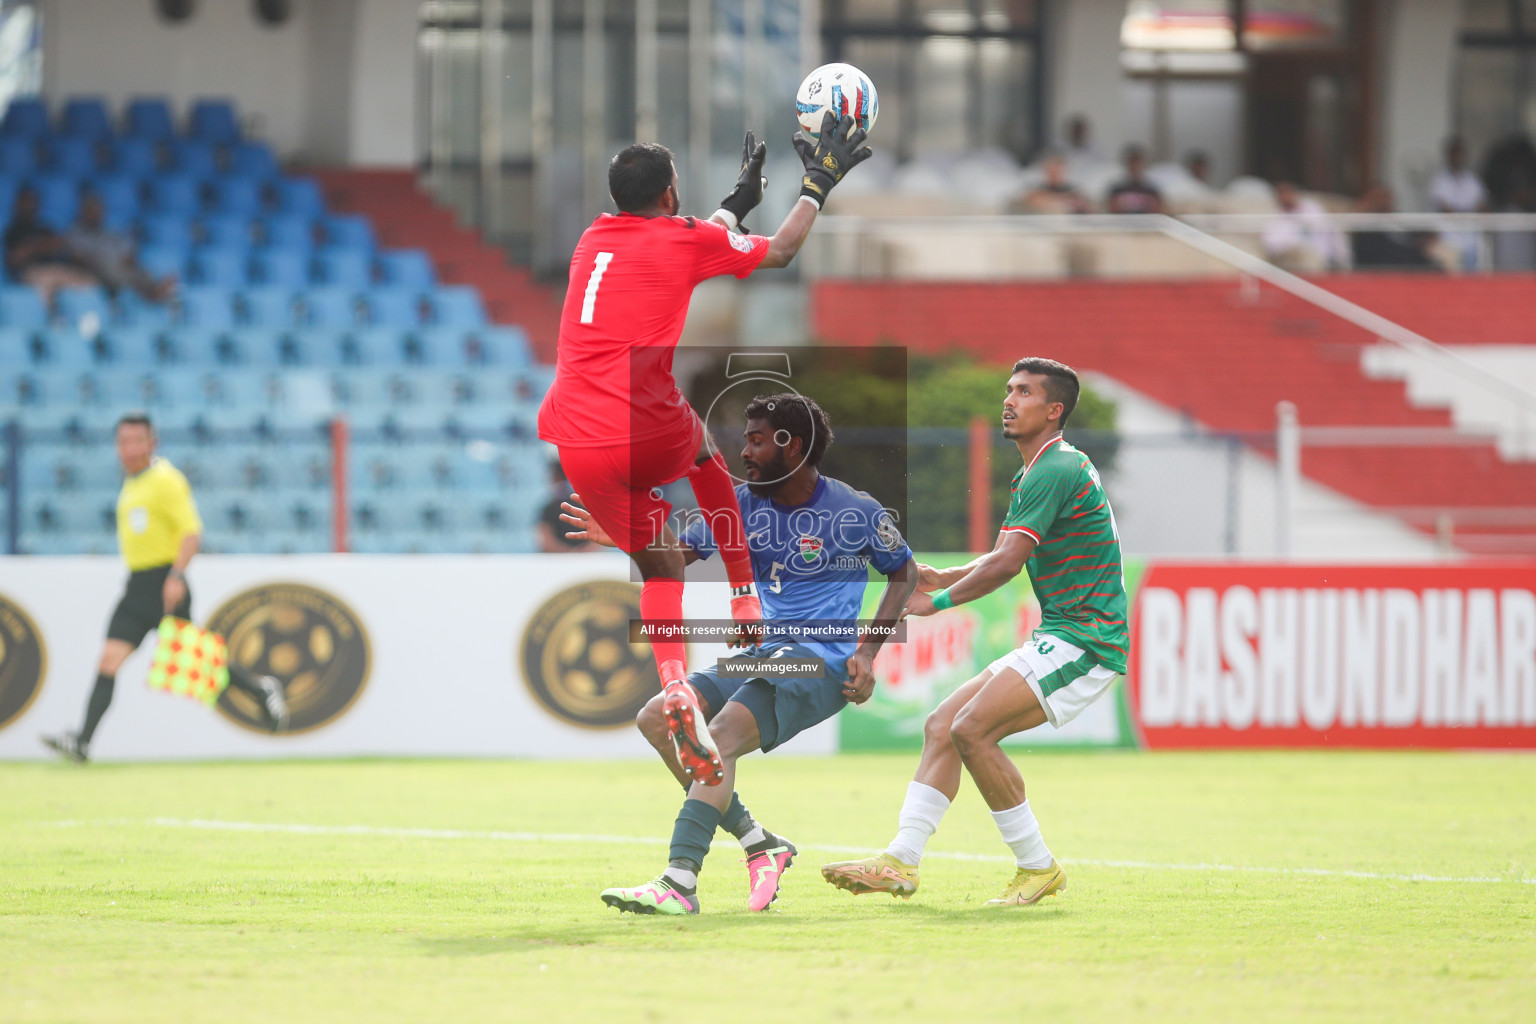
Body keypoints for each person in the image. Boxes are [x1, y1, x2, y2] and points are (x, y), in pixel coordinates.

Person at [536, 111, 871, 785]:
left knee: (660, 572)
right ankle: (745, 597)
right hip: (642, 423)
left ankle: (674, 687)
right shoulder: (682, 239)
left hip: (574, 435)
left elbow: (681, 241)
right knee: (709, 461)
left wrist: (732, 205)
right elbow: (777, 251)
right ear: (668, 195)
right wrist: (816, 185)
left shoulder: (592, 240)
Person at [562, 393, 917, 914]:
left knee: (718, 735)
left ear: (790, 445)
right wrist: (627, 535)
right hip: (768, 651)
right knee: (659, 718)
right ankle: (759, 843)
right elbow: (673, 558)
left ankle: (679, 880)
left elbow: (903, 571)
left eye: (755, 440)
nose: (743, 452)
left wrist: (867, 651)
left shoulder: (855, 510)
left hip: (818, 661)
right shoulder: (739, 507)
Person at [821, 358, 1127, 908]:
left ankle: (1037, 867)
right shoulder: (1042, 468)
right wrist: (950, 574)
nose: (1009, 400)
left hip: (1088, 640)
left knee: (972, 729)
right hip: (1063, 633)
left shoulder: (1053, 469)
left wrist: (937, 600)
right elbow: (1006, 553)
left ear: (1054, 410)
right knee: (944, 724)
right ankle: (900, 860)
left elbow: (1009, 563)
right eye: (1009, 390)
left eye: (1025, 392)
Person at [41, 413, 289, 763]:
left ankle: (261, 688)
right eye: (123, 442)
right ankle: (82, 741)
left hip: (163, 583)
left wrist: (176, 576)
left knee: (196, 660)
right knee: (109, 660)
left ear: (152, 443)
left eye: (137, 441)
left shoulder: (166, 480)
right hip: (137, 586)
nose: (129, 449)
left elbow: (191, 532)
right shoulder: (133, 482)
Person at [65, 190, 176, 302]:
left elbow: (126, 250)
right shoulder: (75, 233)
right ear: (83, 212)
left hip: (117, 267)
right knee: (117, 270)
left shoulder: (108, 232)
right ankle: (153, 294)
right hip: (95, 271)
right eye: (92, 211)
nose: (96, 214)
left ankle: (156, 289)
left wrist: (127, 257)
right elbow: (78, 256)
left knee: (136, 268)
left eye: (98, 211)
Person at [3, 186, 101, 304]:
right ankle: (50, 319)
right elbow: (14, 258)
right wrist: (39, 246)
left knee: (89, 281)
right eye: (26, 202)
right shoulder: (13, 230)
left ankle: (89, 316)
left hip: (55, 268)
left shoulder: (44, 227)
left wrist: (37, 247)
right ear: (18, 204)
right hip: (28, 272)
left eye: (33, 201)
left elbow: (59, 245)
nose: (30, 205)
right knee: (47, 280)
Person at [1351, 182, 1440, 272]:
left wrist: (1426, 238)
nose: (1384, 200)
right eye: (1379, 197)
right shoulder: (1368, 226)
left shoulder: (1398, 217)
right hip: (1389, 268)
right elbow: (1378, 251)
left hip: (1415, 262)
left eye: (1387, 196)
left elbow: (1415, 232)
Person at [1261, 181, 1347, 272]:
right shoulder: (1275, 215)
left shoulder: (1312, 208)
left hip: (1320, 255)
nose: (1285, 196)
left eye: (1287, 192)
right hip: (1289, 256)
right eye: (1281, 193)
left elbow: (1330, 230)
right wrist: (1295, 246)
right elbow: (1271, 244)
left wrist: (1341, 257)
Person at [1429, 137, 1487, 271]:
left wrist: (1463, 212)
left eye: (1460, 153)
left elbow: (1482, 205)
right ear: (1448, 155)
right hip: (1449, 239)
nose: (1457, 157)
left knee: (1472, 281)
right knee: (1453, 281)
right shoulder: (1439, 180)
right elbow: (1444, 208)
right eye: (1454, 153)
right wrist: (1467, 212)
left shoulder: (1472, 179)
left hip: (1471, 239)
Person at [536, 461, 599, 553]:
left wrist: (568, 554)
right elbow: (599, 540)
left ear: (555, 477)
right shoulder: (591, 505)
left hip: (558, 562)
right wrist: (580, 554)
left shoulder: (549, 507)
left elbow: (546, 541)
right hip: (586, 561)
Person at [1011, 153, 1089, 215]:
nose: (1055, 173)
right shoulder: (1038, 189)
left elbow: (1084, 204)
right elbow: (1031, 199)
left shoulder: (1073, 190)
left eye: (1058, 170)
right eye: (1052, 170)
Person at [1105, 145, 1163, 214]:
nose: (1135, 166)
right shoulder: (1117, 190)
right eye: (1132, 162)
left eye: (1137, 162)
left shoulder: (1151, 190)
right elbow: (1111, 208)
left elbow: (1159, 210)